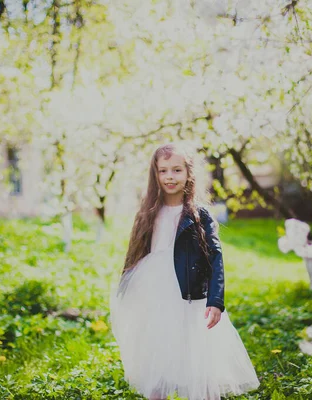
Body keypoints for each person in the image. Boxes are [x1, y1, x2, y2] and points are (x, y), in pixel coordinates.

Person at [109, 143, 260, 400]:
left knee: (196, 359)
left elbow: (215, 258)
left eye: (177, 170)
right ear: (155, 175)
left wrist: (215, 300)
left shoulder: (199, 214)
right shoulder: (147, 214)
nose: (170, 176)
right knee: (157, 355)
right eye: (163, 171)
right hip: (154, 294)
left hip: (189, 293)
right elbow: (135, 253)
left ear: (189, 173)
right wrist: (127, 289)